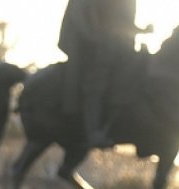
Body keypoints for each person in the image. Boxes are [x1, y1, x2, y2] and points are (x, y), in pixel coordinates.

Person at [58, 0, 147, 148]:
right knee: (95, 84)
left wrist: (142, 30)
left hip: (120, 47)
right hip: (96, 48)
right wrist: (94, 36)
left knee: (140, 70)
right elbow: (83, 18)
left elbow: (122, 22)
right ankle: (93, 131)